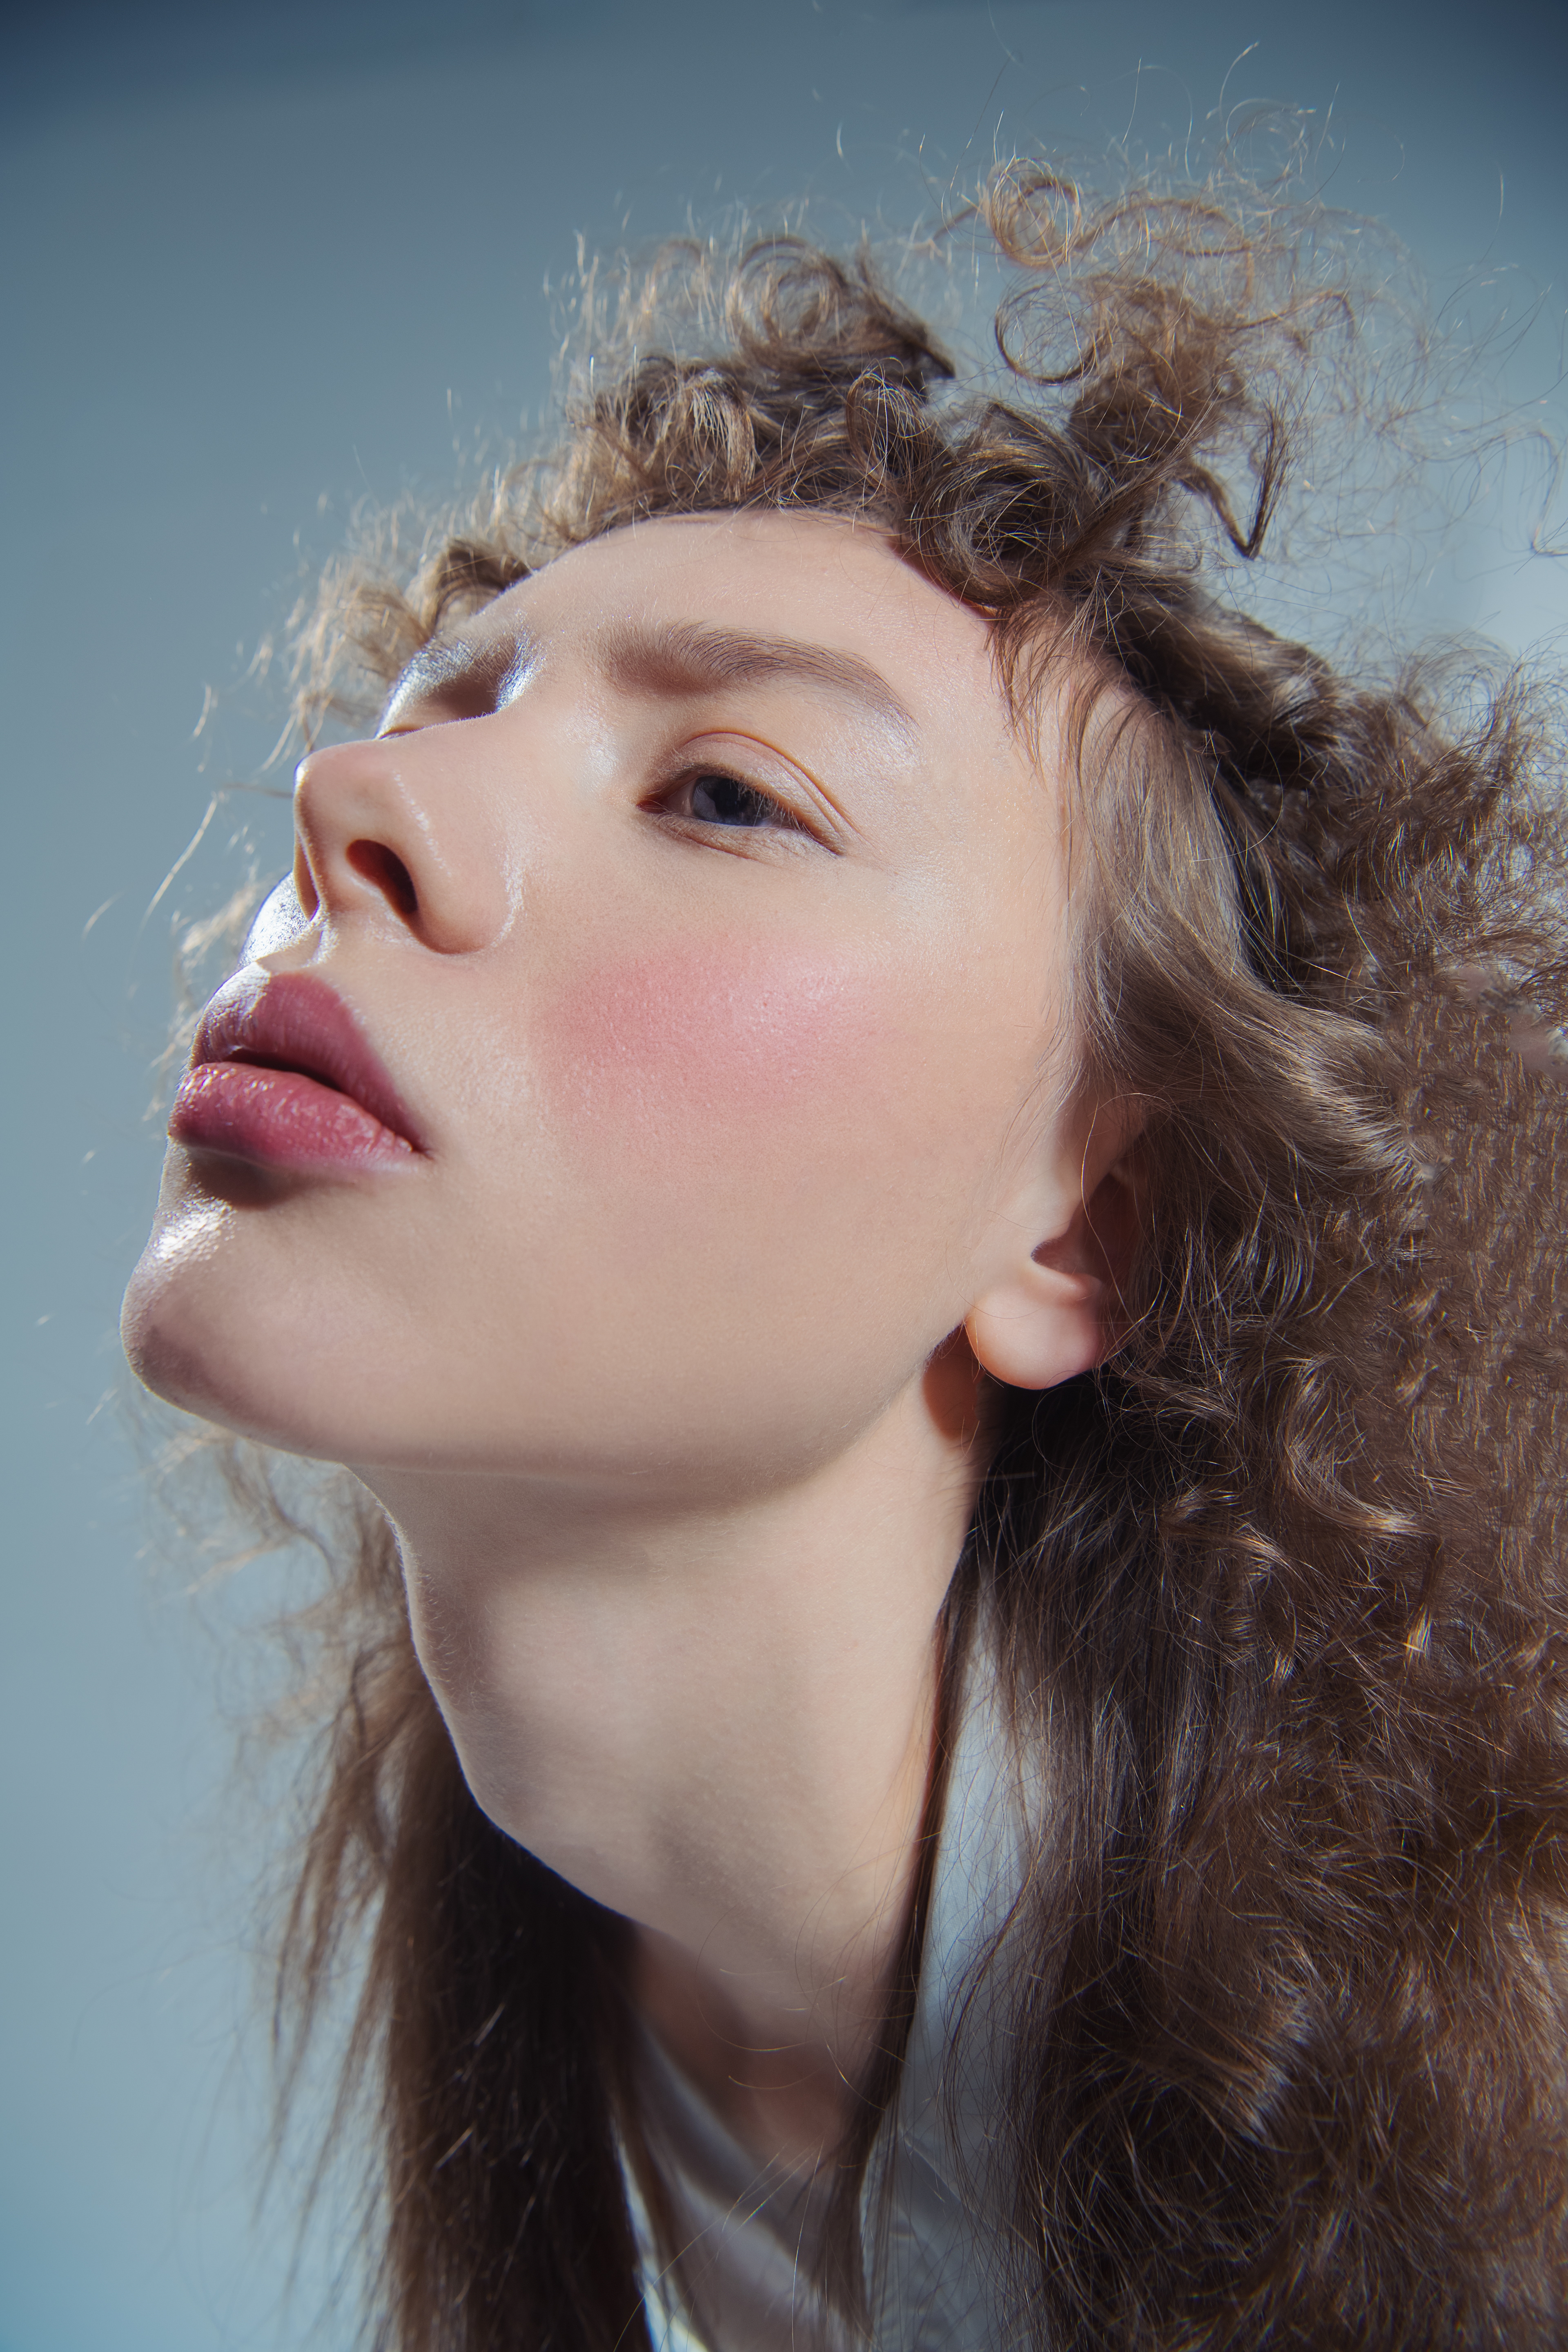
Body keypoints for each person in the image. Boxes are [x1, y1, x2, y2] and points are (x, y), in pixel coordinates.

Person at [122, 157, 1568, 2350]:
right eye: (434, 715)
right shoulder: (596, 1988)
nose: (350, 804)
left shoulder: (1501, 2134)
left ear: (1092, 1223)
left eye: (724, 793)